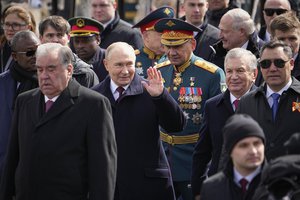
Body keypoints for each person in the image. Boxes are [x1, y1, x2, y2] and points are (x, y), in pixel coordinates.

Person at [0, 43, 117, 200]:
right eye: (40, 69)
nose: (44, 76)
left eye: (51, 69)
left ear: (69, 70)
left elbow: (102, 167)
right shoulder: (25, 101)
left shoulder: (93, 104)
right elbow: (13, 156)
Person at [92, 42, 186, 200]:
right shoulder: (94, 97)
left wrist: (161, 97)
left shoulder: (151, 90)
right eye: (119, 65)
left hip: (147, 186)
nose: (125, 71)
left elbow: (176, 126)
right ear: (106, 65)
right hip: (109, 186)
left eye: (129, 64)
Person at [154, 18, 225, 199]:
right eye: (168, 47)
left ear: (192, 44)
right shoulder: (160, 71)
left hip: (193, 159)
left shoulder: (212, 74)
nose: (172, 52)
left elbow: (218, 122)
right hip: (163, 159)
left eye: (177, 46)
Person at [191, 48, 258, 199]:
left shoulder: (264, 103)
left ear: (254, 74)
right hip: (221, 188)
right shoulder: (212, 106)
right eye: (229, 71)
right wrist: (198, 191)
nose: (234, 77)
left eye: (240, 71)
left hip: (256, 188)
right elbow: (202, 152)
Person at [237, 40, 300, 160]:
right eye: (265, 64)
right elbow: (234, 144)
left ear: (291, 64)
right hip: (259, 176)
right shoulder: (247, 102)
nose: (272, 69)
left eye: (279, 63)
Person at [0, 30, 40, 180]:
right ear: (15, 56)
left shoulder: (51, 80)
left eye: (38, 50)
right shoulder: (2, 83)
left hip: (40, 166)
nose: (36, 55)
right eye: (30, 53)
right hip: (6, 166)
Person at [200, 114, 266, 200]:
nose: (253, 151)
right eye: (244, 145)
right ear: (230, 151)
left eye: (257, 143)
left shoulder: (280, 183)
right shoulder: (211, 188)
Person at [39, 15, 99, 88]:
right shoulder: (32, 68)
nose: (55, 40)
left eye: (60, 35)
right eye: (50, 36)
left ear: (68, 37)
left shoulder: (85, 73)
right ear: (41, 38)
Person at [132, 6, 174, 78]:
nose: (167, 39)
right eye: (162, 35)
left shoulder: (176, 59)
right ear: (146, 36)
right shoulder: (132, 59)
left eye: (169, 34)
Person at [68, 16, 108, 81]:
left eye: (85, 41)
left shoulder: (109, 58)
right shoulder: (70, 61)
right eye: (76, 41)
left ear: (98, 40)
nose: (80, 46)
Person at [0, 5, 36, 72]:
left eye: (16, 25)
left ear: (28, 28)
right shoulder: (2, 47)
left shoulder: (35, 52)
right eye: (7, 24)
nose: (10, 29)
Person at [270, 11, 300, 81]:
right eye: (281, 39)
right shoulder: (262, 66)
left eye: (292, 38)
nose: (288, 44)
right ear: (271, 40)